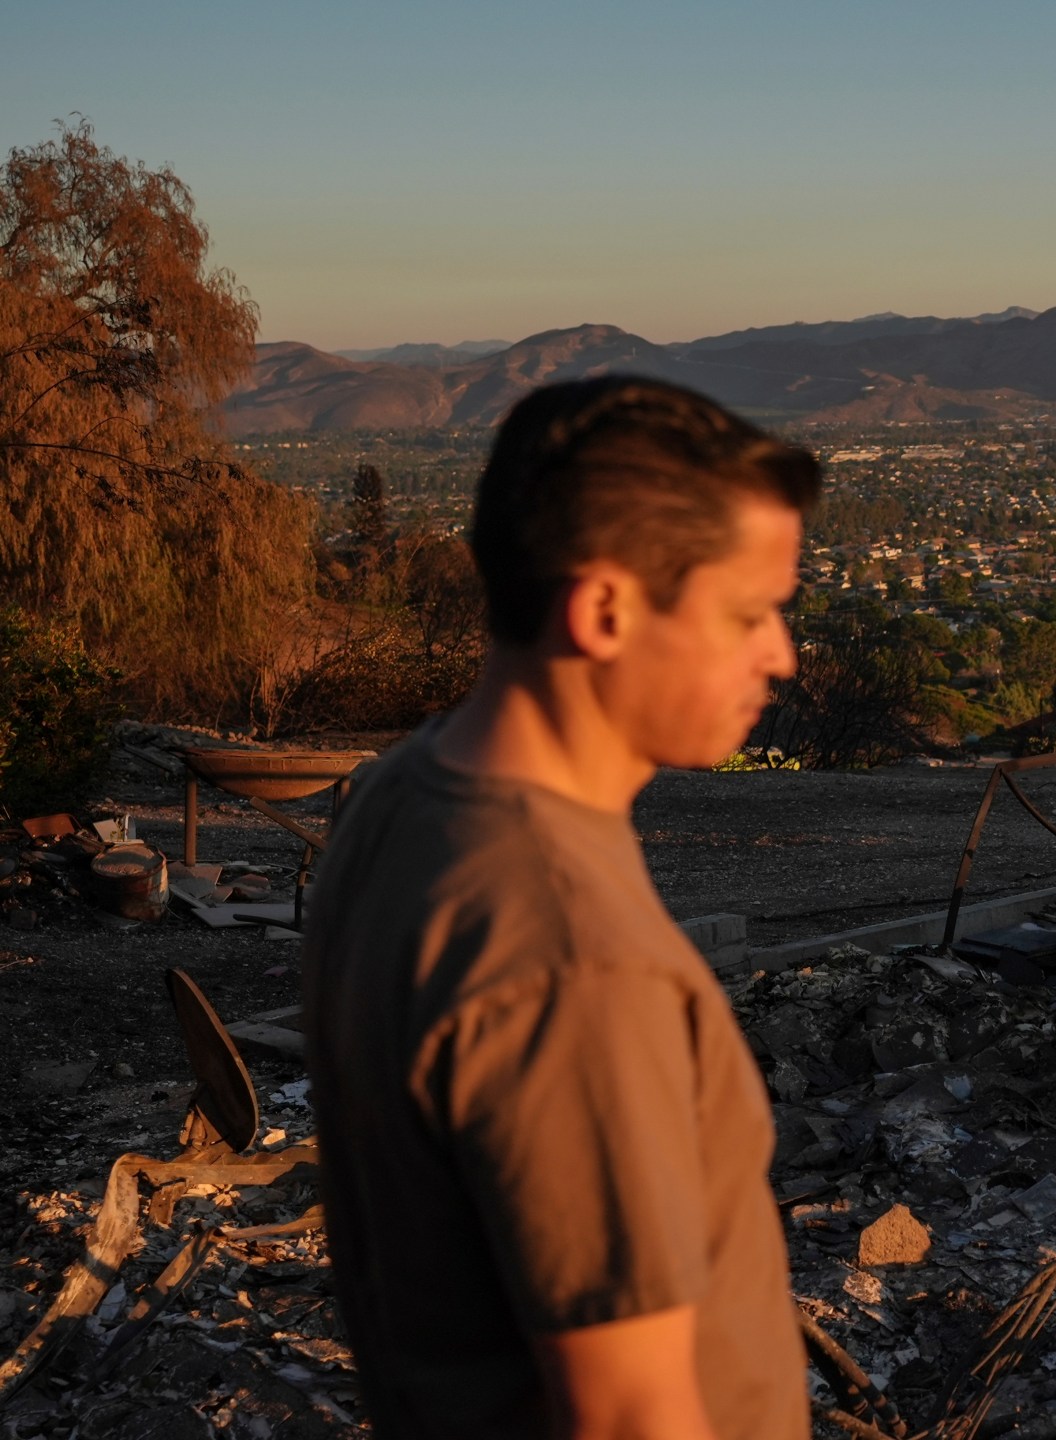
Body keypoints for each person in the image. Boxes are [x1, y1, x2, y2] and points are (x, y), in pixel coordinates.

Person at [301, 377, 821, 1440]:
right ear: (605, 610)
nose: (783, 653)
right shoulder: (570, 957)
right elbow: (630, 1413)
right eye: (748, 612)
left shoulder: (405, 795)